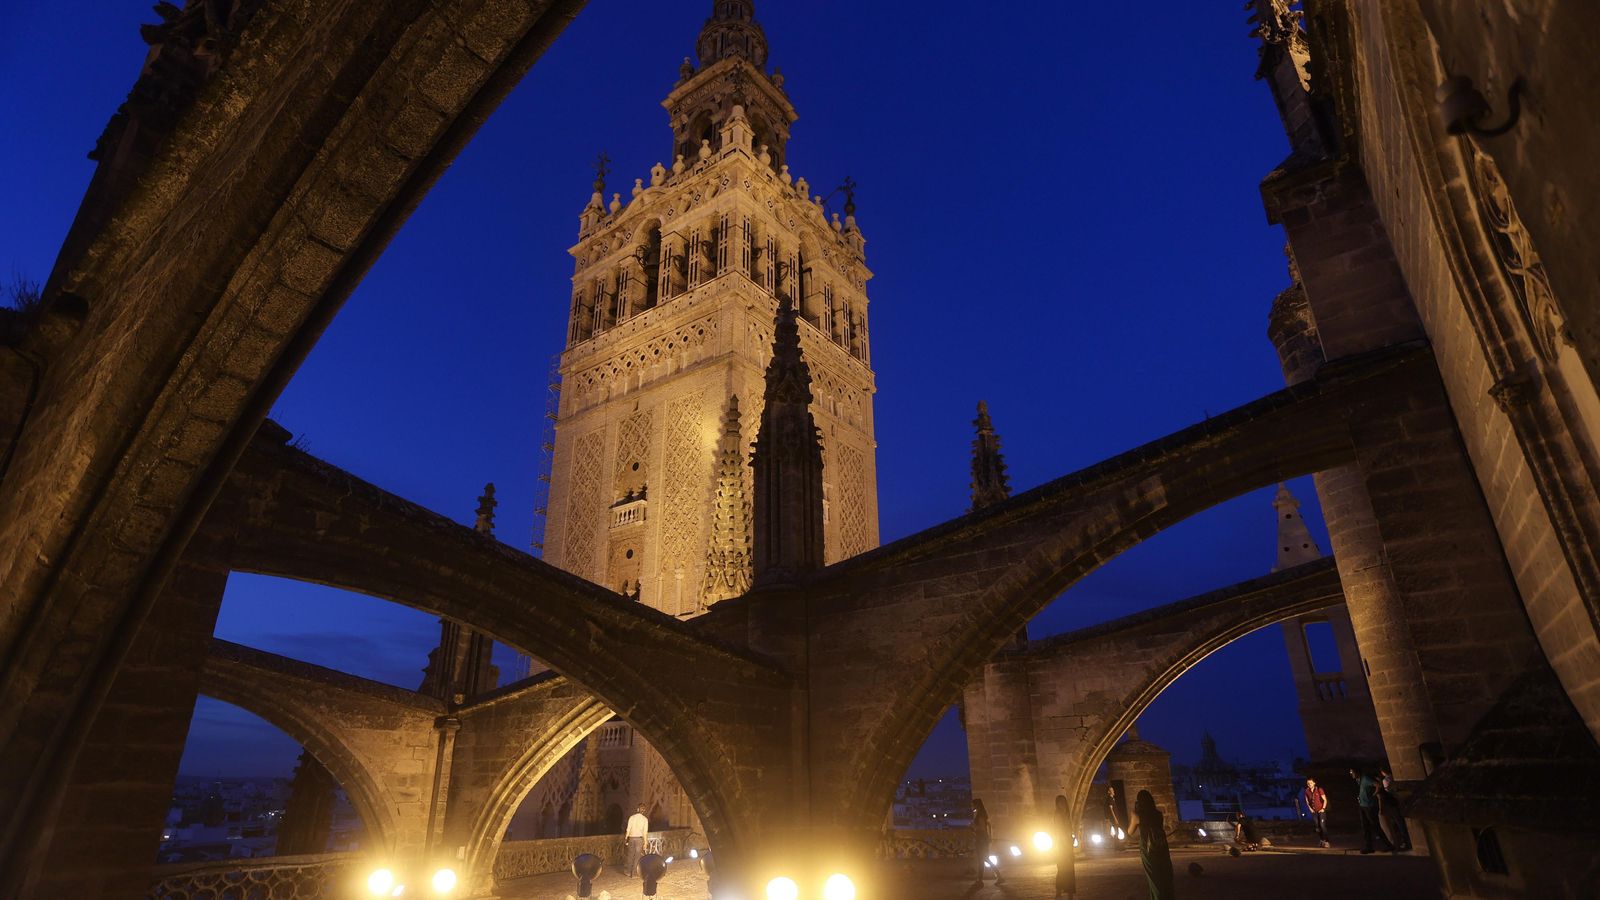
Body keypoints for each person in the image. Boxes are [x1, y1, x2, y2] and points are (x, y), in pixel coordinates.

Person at [1129, 790, 1174, 900]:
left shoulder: (1137, 815)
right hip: (1162, 847)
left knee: (1154, 877)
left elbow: (1130, 832)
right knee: (1165, 875)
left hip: (1148, 849)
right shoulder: (1158, 814)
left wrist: (1133, 814)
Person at [1349, 769, 1395, 854]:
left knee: (1375, 826)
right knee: (1365, 827)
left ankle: (1389, 845)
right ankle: (1369, 847)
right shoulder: (1359, 780)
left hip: (1369, 806)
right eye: (1350, 772)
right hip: (1363, 806)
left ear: (1357, 771)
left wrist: (1373, 794)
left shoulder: (1365, 778)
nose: (1351, 774)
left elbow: (1378, 785)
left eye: (1352, 772)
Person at [1376, 770, 1412, 851]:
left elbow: (1382, 798)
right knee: (1399, 823)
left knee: (1398, 824)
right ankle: (1403, 841)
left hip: (1391, 805)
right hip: (1396, 803)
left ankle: (1403, 842)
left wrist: (1381, 809)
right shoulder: (1392, 777)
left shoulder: (1385, 782)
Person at [971, 799, 1003, 886]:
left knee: (983, 858)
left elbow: (982, 828)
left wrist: (973, 828)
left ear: (976, 805)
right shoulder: (980, 814)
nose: (972, 807)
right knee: (983, 859)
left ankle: (995, 877)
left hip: (981, 839)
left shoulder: (980, 815)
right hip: (982, 838)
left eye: (973, 805)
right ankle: (981, 879)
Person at [1053, 794, 1077, 899]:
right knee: (1062, 868)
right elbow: (1060, 832)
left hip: (1067, 844)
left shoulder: (1067, 815)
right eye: (1060, 802)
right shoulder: (1058, 816)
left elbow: (1069, 830)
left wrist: (1071, 838)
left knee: (1069, 869)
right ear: (1057, 804)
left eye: (1064, 802)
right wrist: (1065, 844)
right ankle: (1059, 890)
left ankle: (1069, 893)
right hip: (1061, 846)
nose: (1062, 804)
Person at [1301, 777, 1330, 847]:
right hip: (1314, 812)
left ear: (1314, 783)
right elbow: (1307, 801)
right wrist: (1310, 809)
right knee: (1317, 827)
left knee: (1322, 825)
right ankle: (1321, 840)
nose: (1309, 784)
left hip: (1321, 810)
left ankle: (1326, 841)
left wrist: (1323, 808)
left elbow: (1325, 800)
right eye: (1308, 783)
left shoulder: (1319, 789)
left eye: (1310, 783)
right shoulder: (1307, 791)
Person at [624, 803, 649, 876]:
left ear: (637, 809)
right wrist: (645, 842)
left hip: (631, 838)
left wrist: (626, 838)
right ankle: (634, 873)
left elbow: (628, 829)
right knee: (637, 856)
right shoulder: (645, 819)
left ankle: (628, 871)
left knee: (630, 855)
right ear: (644, 810)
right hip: (639, 839)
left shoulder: (632, 817)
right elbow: (645, 832)